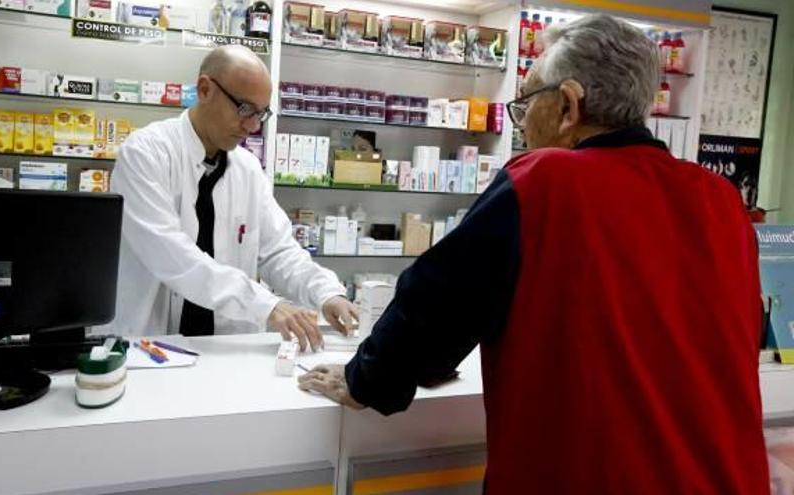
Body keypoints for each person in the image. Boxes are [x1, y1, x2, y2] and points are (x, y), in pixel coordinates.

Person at [299, 14, 769, 493]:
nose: (522, 125)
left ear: (568, 105)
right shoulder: (720, 199)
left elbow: (435, 305)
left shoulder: (545, 181)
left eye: (525, 104)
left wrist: (366, 381)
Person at [106, 45, 357, 350]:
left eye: (261, 114)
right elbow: (174, 257)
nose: (252, 127)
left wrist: (327, 292)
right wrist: (266, 304)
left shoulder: (248, 169)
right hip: (149, 346)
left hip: (225, 348)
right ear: (205, 89)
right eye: (244, 109)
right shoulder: (146, 153)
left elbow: (279, 251)